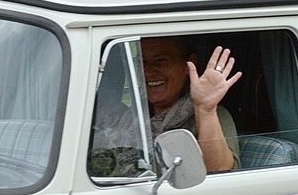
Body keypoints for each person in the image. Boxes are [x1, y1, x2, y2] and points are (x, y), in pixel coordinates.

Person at [90, 37, 241, 177]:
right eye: (143, 62)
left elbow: (221, 172)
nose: (148, 71)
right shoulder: (133, 115)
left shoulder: (207, 115)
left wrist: (205, 110)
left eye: (161, 61)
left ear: (189, 66)